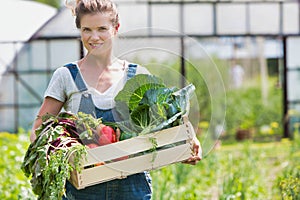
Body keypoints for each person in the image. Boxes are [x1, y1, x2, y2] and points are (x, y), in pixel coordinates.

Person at [30, 0, 201, 199]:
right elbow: (38, 129)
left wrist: (187, 141)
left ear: (116, 28)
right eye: (87, 30)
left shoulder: (137, 75)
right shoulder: (66, 75)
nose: (94, 37)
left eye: (102, 28)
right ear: (80, 31)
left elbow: (164, 124)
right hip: (84, 187)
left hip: (133, 186)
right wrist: (60, 154)